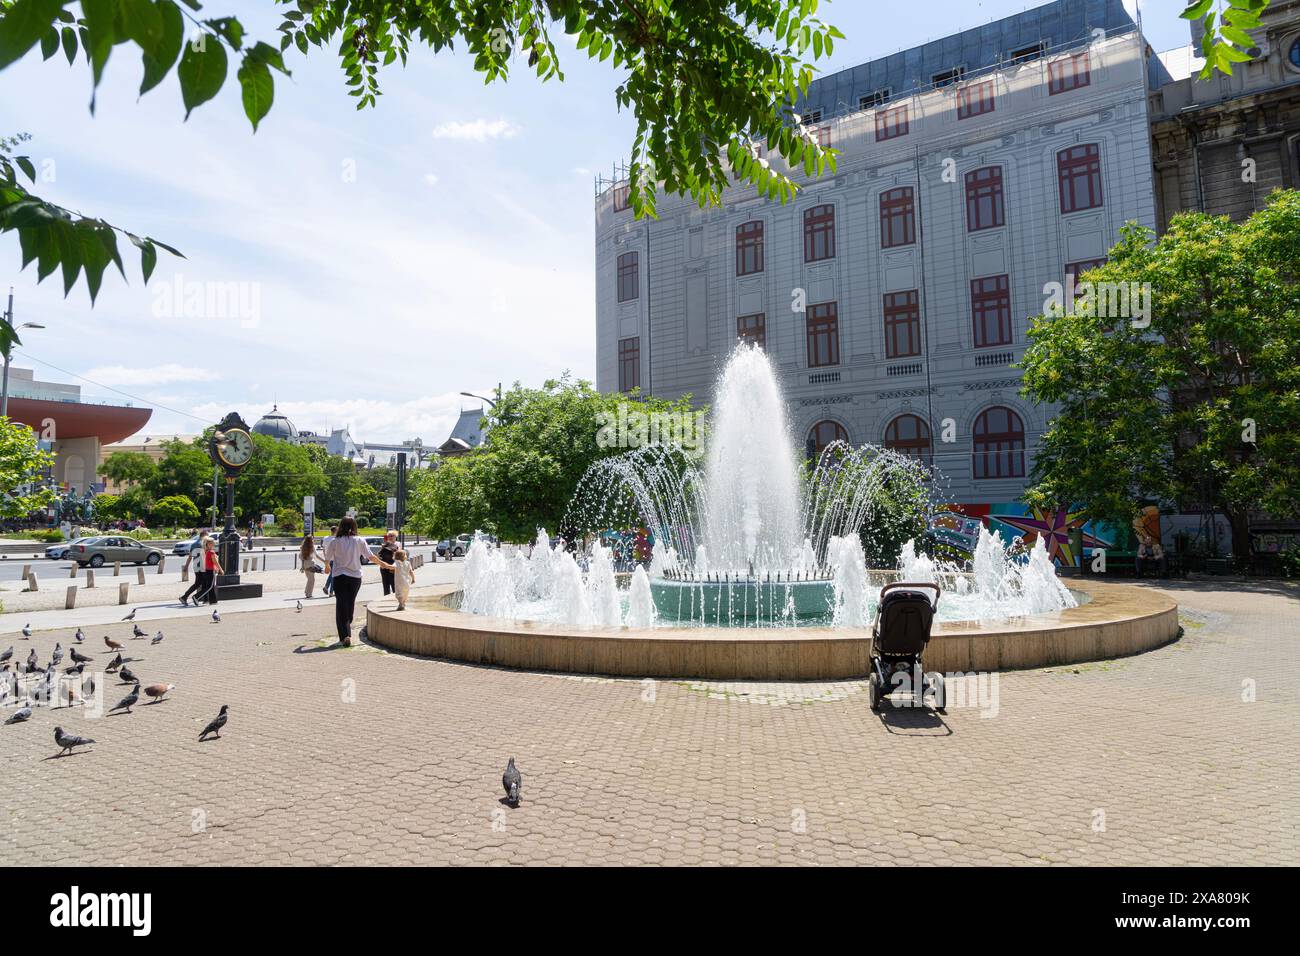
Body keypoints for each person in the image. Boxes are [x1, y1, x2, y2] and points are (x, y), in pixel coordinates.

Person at [324, 516, 394, 646]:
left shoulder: (335, 541)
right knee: (350, 603)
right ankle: (347, 630)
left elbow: (327, 557)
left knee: (341, 605)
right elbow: (370, 556)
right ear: (354, 526)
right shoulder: (359, 540)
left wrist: (327, 566)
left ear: (341, 526)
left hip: (339, 576)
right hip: (355, 577)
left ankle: (345, 635)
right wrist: (383, 564)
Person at [179, 531, 210, 605]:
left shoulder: (194, 544)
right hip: (202, 566)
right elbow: (204, 556)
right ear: (205, 536)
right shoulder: (203, 544)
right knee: (205, 583)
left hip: (196, 566)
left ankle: (203, 599)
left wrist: (186, 566)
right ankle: (190, 597)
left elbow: (190, 557)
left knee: (199, 583)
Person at [197, 536, 224, 604]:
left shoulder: (205, 551)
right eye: (212, 543)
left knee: (211, 586)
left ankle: (213, 601)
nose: (214, 544)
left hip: (206, 570)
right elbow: (215, 562)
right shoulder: (211, 552)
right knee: (210, 586)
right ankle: (196, 597)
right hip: (210, 570)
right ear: (208, 544)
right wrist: (221, 569)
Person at [378, 530, 398, 596]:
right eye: (389, 536)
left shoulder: (398, 545)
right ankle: (386, 600)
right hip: (384, 567)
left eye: (392, 536)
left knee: (394, 585)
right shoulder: (384, 545)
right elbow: (379, 555)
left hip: (393, 568)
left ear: (396, 537)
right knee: (386, 586)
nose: (390, 537)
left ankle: (396, 600)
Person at [300, 534, 321, 599]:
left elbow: (302, 558)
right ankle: (309, 594)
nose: (313, 540)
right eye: (312, 539)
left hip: (305, 564)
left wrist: (302, 566)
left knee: (309, 579)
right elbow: (317, 556)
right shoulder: (312, 546)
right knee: (312, 580)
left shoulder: (303, 547)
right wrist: (324, 561)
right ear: (311, 540)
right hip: (311, 564)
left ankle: (306, 592)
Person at [321, 524, 338, 596]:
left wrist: (326, 558)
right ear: (336, 531)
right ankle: (330, 591)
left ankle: (328, 588)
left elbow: (324, 549)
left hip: (328, 559)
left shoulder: (326, 538)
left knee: (332, 575)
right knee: (333, 575)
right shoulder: (337, 539)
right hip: (335, 559)